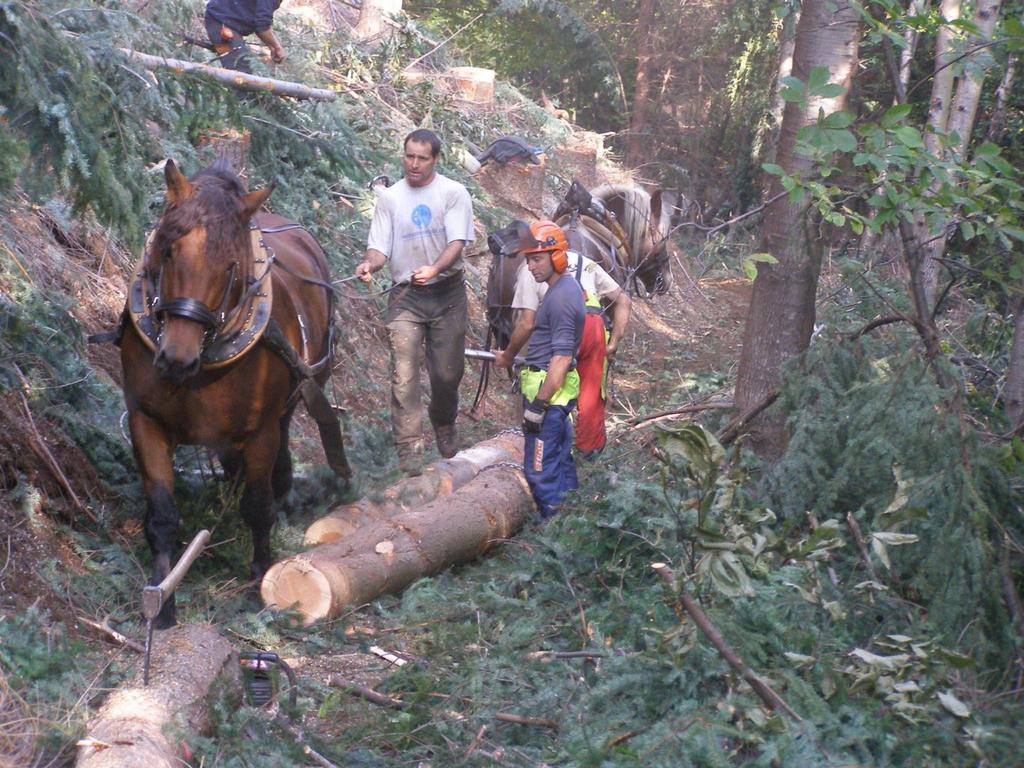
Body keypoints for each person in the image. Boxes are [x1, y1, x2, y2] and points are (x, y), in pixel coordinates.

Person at [356, 129, 474, 476]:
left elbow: (457, 242)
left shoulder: (453, 193)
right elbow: (379, 247)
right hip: (406, 296)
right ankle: (409, 448)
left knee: (446, 373)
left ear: (435, 159)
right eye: (409, 156)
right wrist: (370, 264)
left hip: (447, 293)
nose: (414, 164)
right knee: (404, 375)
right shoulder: (390, 198)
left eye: (422, 158)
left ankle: (444, 422)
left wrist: (435, 267)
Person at [494, 229, 630, 458]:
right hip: (594, 325)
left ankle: (551, 447)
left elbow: (527, 324)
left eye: (533, 258)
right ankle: (589, 450)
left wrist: (508, 355)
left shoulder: (529, 271)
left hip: (560, 323)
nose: (531, 264)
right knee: (591, 392)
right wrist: (614, 340)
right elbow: (623, 299)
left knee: (551, 384)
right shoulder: (586, 263)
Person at [513, 221, 585, 517]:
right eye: (528, 259)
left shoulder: (563, 298)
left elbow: (561, 360)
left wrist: (538, 407)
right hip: (551, 396)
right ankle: (573, 522)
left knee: (539, 471)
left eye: (537, 258)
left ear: (558, 257)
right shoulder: (559, 291)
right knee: (561, 462)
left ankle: (554, 537)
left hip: (549, 399)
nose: (530, 266)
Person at [205, 0, 286, 73]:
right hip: (219, 24)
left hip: (227, 22)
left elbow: (259, 22)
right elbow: (262, 27)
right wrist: (277, 47)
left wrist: (272, 46)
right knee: (241, 70)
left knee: (241, 65)